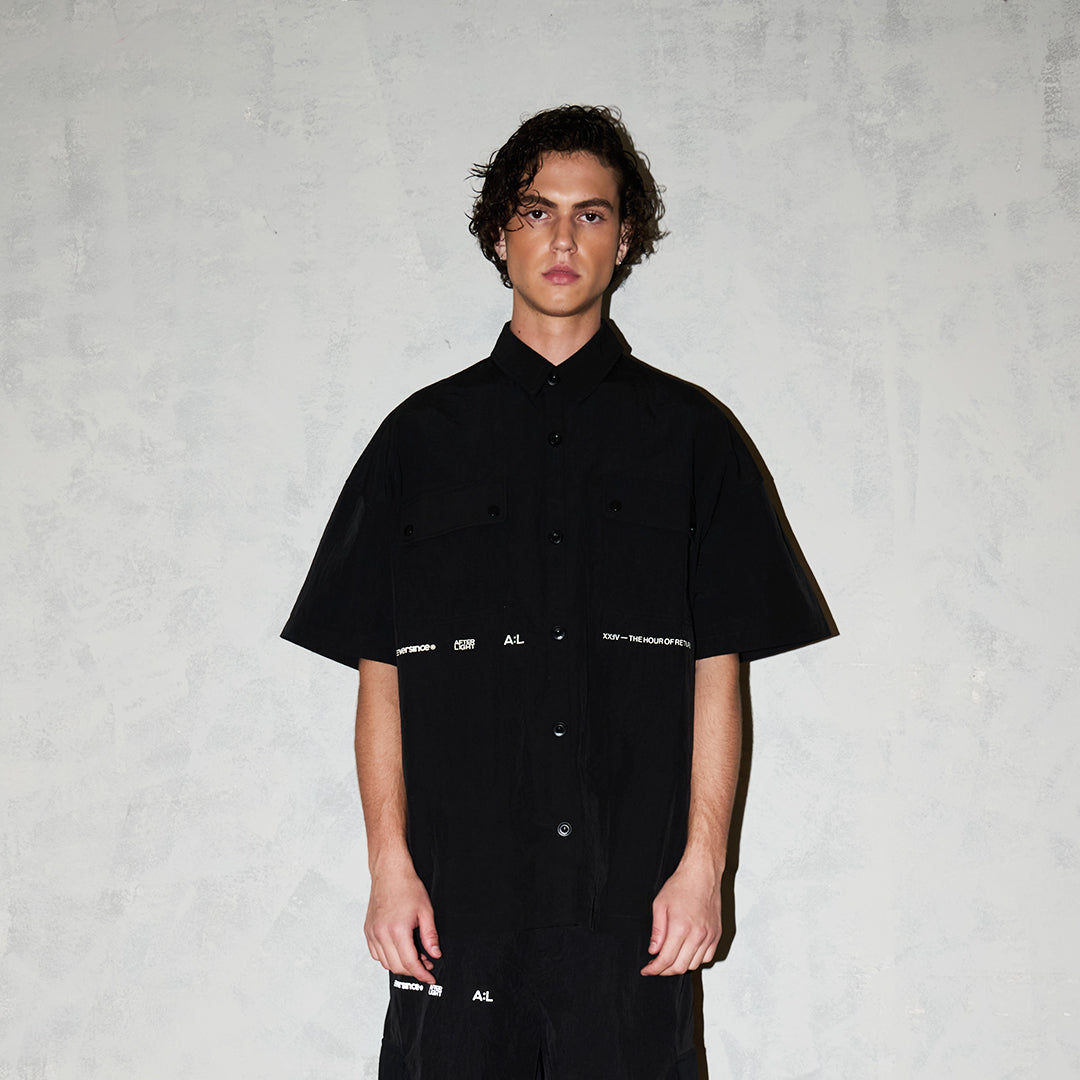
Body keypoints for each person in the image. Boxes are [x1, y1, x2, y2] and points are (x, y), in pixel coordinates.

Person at [282, 105, 830, 1080]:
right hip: (458, 912)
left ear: (624, 237)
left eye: (591, 214)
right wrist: (389, 867)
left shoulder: (693, 440)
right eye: (537, 212)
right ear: (500, 234)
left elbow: (718, 672)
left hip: (632, 911)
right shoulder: (418, 442)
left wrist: (704, 867)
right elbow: (382, 676)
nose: (563, 239)